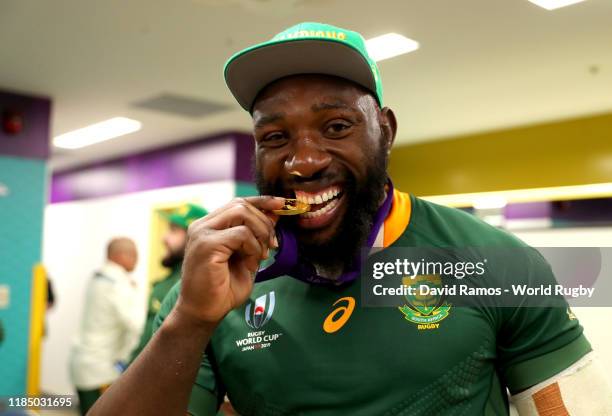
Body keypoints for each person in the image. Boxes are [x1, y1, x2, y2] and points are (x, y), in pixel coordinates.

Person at [89, 22, 612, 415]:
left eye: (336, 126)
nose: (304, 160)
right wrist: (189, 322)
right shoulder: (212, 286)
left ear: (385, 130)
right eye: (275, 138)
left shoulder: (496, 264)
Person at [69, 237, 141, 415]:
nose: (137, 259)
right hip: (102, 370)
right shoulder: (119, 284)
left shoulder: (98, 277)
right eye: (132, 254)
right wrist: (125, 361)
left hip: (83, 363)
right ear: (119, 256)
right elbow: (136, 325)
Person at [129, 203, 207, 361]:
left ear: (194, 237)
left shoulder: (194, 283)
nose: (164, 238)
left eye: (173, 230)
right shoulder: (169, 280)